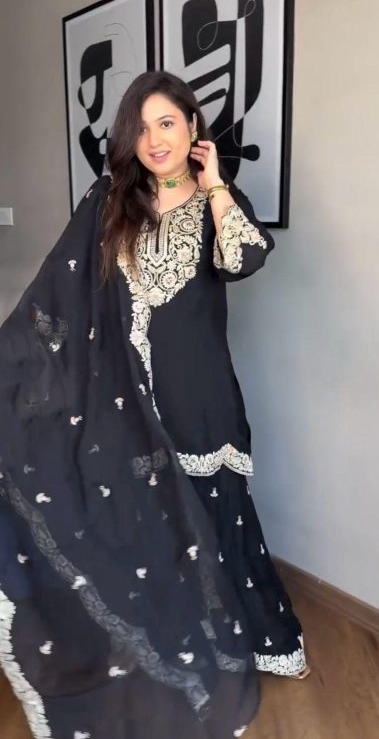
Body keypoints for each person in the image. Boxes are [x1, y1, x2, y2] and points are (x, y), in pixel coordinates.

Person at [0, 70, 308, 739]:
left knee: (219, 524)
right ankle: (178, 648)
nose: (154, 139)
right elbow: (59, 295)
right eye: (140, 128)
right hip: (124, 403)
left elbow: (244, 259)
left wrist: (215, 183)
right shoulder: (113, 202)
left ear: (192, 126)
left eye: (167, 123)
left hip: (200, 397)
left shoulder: (219, 200)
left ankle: (248, 643)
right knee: (155, 531)